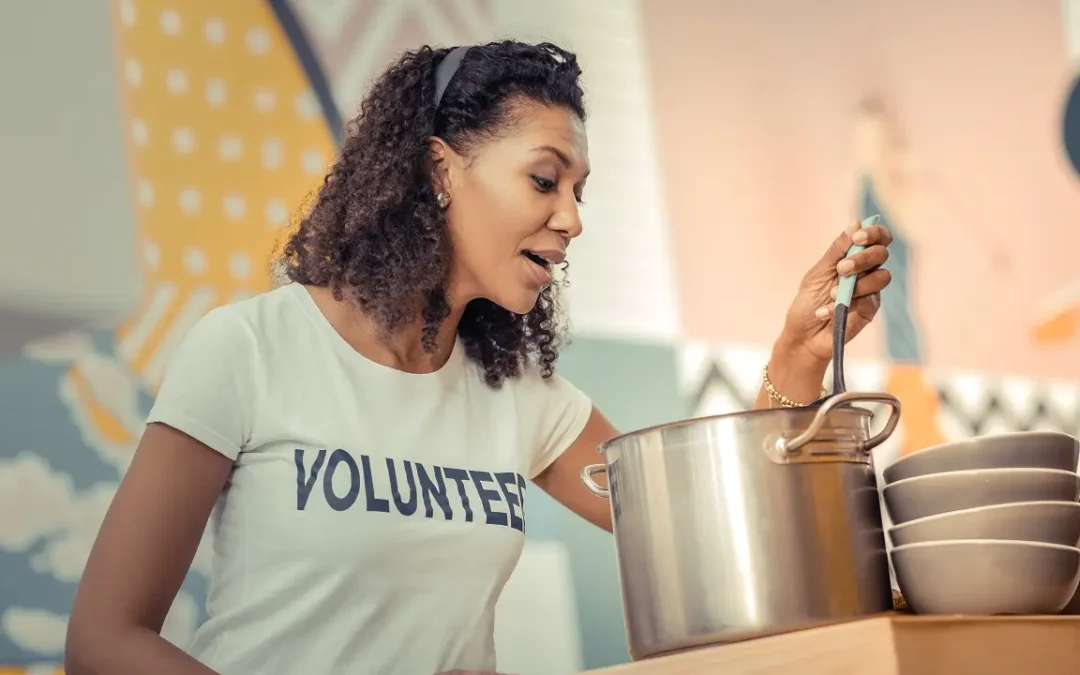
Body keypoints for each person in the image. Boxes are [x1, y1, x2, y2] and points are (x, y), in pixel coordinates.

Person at [64, 40, 893, 675]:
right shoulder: (248, 348)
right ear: (438, 172)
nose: (573, 218)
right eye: (544, 180)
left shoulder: (518, 392)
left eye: (581, 191)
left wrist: (797, 356)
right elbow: (103, 637)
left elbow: (702, 518)